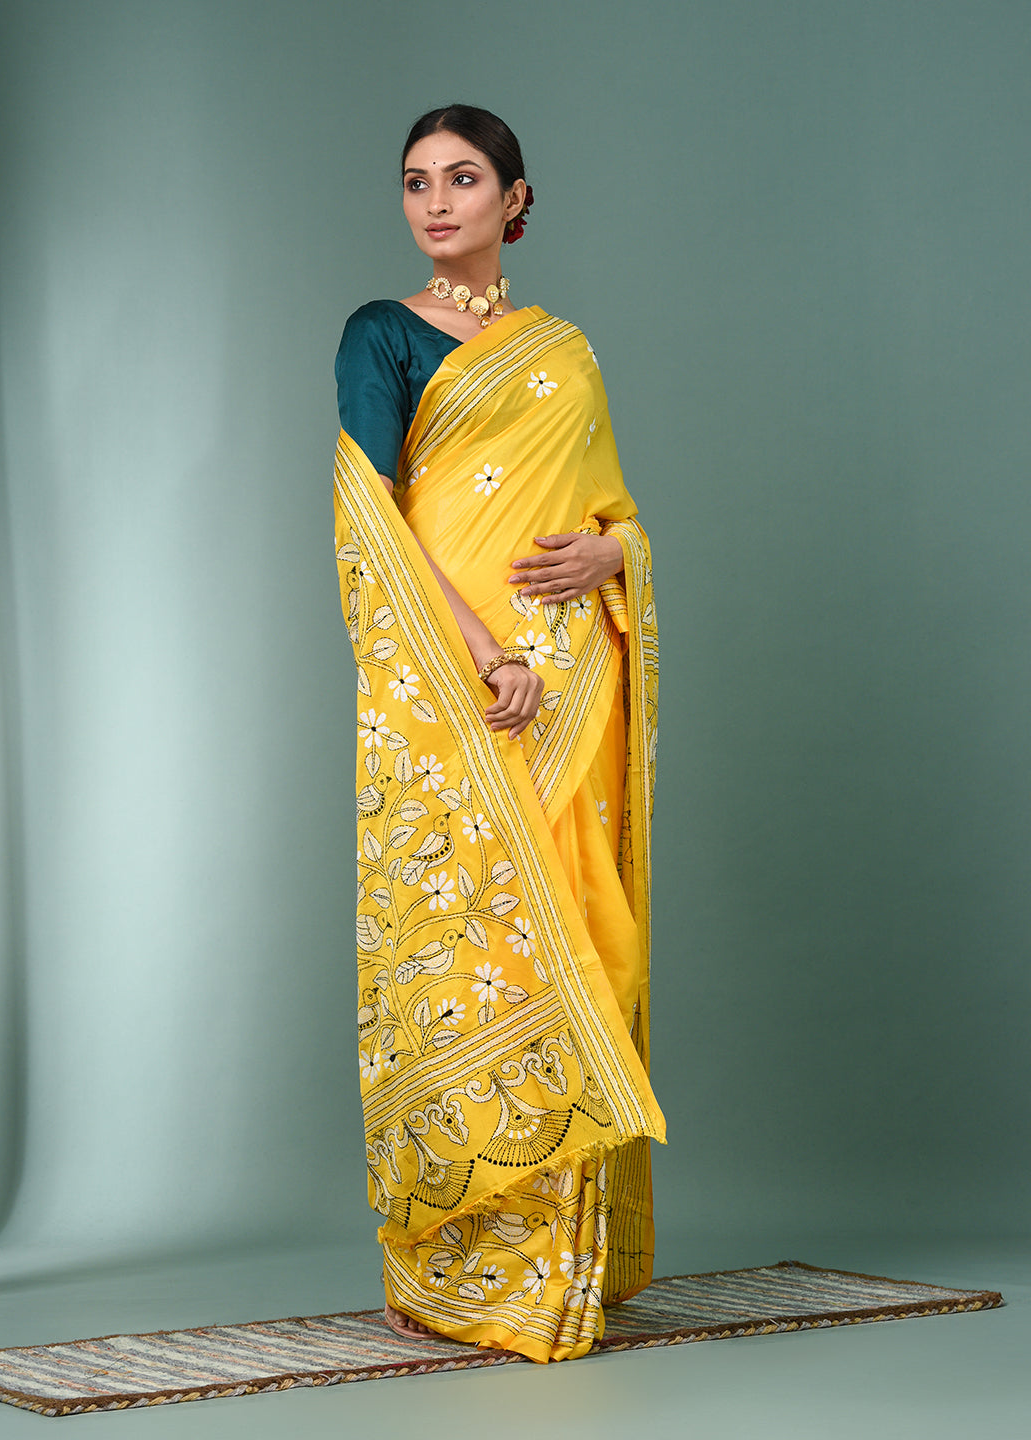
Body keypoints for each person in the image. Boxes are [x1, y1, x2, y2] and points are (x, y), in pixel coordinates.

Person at [333, 104, 664, 1364]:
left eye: (463, 179)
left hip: (573, 684)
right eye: (416, 180)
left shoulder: (563, 351)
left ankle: (554, 1268)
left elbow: (616, 512)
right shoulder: (381, 334)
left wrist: (617, 557)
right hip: (454, 691)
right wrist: (482, 656)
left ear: (515, 200)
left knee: (577, 952)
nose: (436, 202)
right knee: (463, 954)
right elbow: (372, 519)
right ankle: (448, 1268)